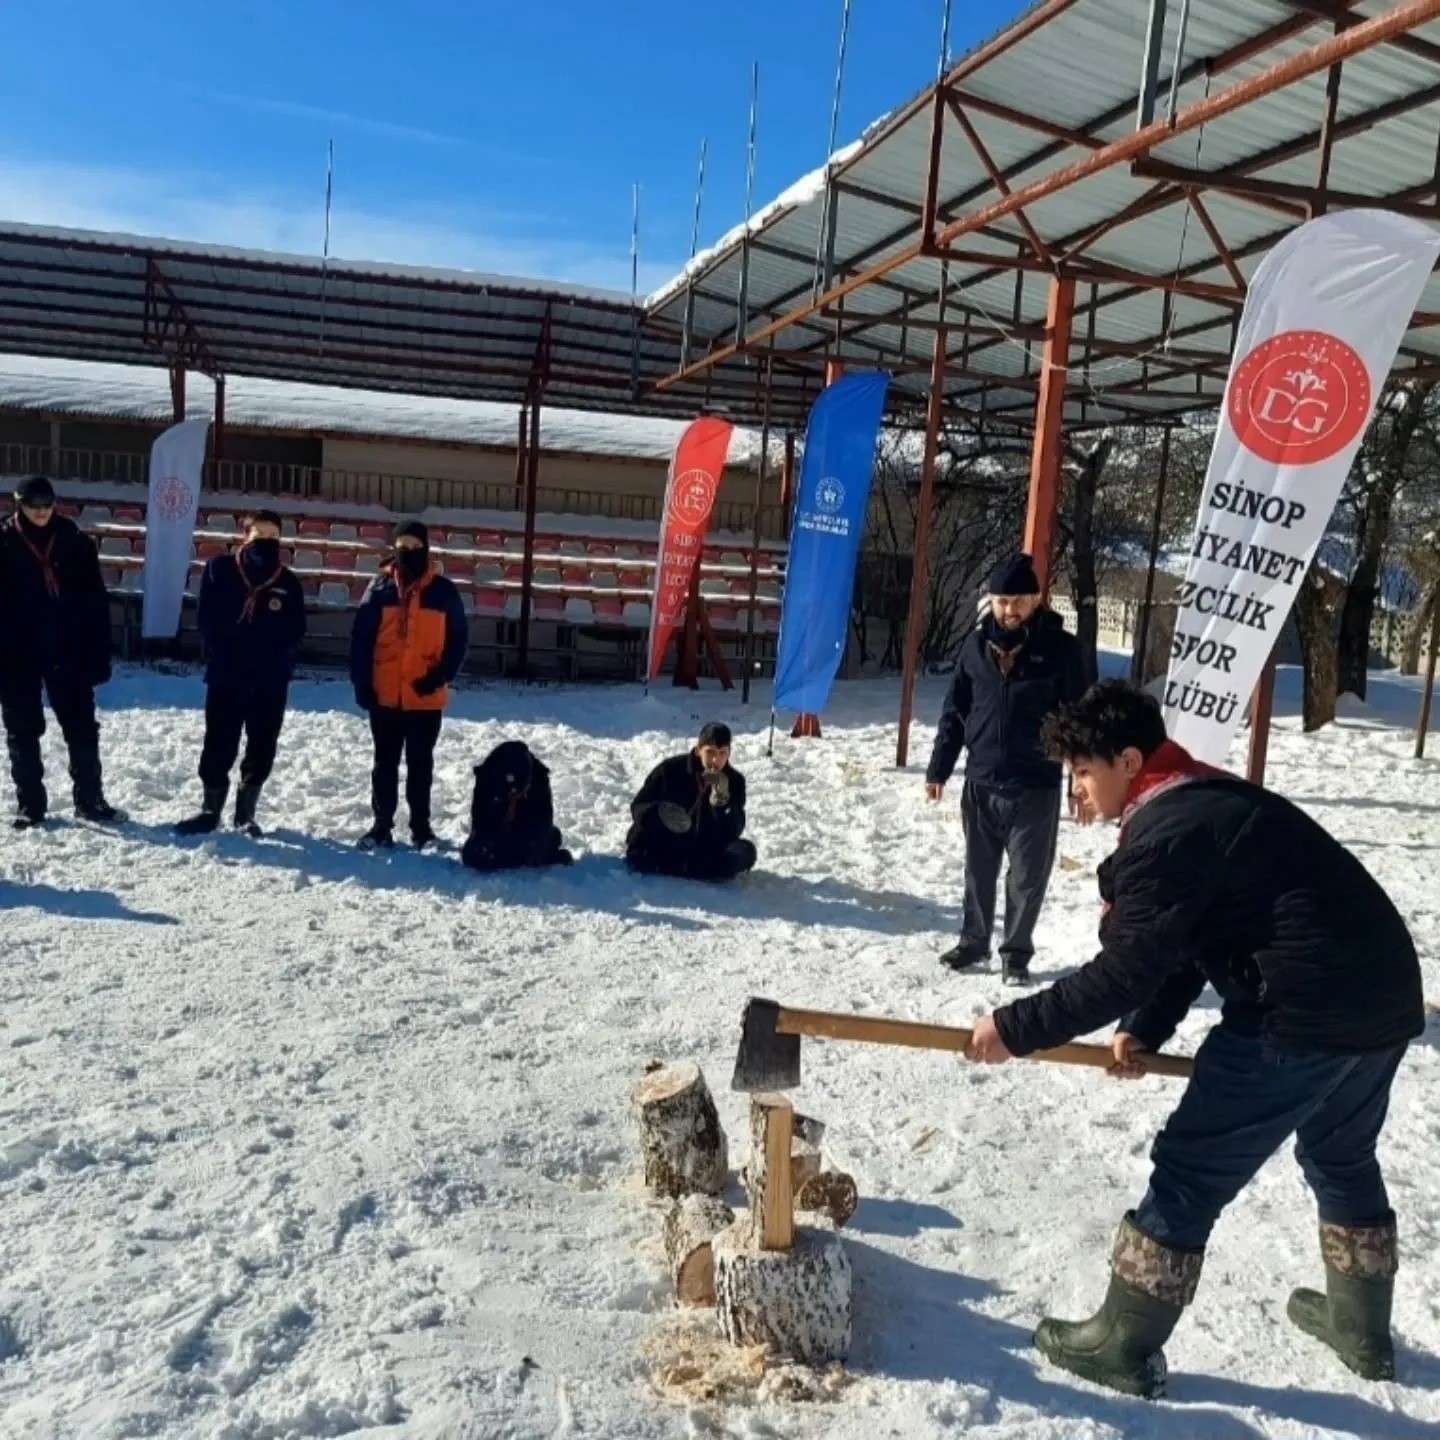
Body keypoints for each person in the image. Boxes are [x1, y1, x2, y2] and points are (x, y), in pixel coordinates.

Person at [963, 680, 1423, 1398]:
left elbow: (1124, 971)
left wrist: (1014, 1028)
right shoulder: (1199, 800)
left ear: (1128, 761)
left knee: (1189, 1168)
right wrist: (1144, 1028)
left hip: (1299, 1015)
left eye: (1082, 772)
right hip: (1383, 999)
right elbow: (1186, 942)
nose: (1073, 791)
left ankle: (1123, 1345)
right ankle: (1361, 1330)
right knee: (1340, 1152)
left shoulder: (1169, 833)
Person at [925, 552, 1085, 984]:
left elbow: (1080, 719)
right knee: (978, 871)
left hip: (1036, 784)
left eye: (1018, 601)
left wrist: (1081, 780)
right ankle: (973, 943)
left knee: (1027, 878)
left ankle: (1015, 954)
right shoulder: (975, 647)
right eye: (1001, 601)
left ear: (1036, 599)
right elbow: (955, 711)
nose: (1009, 610)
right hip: (981, 779)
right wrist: (939, 769)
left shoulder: (1063, 650)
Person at [0, 476, 122, 827]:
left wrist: (98, 654)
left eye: (47, 505)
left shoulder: (75, 541)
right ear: (19, 504)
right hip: (16, 651)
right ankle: (30, 806)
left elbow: (95, 601)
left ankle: (90, 800)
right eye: (33, 505)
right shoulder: (3, 541)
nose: (41, 512)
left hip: (67, 647)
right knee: (22, 730)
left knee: (82, 727)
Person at [175, 510, 305, 837]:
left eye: (273, 536)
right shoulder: (219, 569)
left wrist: (267, 651)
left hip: (270, 679)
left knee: (262, 743)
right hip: (227, 673)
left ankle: (245, 814)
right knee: (219, 741)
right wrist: (234, 647)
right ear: (244, 536)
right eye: (259, 535)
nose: (266, 542)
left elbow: (295, 629)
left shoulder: (288, 582)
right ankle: (210, 809)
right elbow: (207, 619)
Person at [349, 520, 467, 851]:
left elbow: (458, 639)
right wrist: (362, 683)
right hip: (384, 694)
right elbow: (361, 640)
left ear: (426, 549)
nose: (408, 551)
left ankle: (421, 829)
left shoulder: (444, 591)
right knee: (384, 764)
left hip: (424, 695)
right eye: (402, 545)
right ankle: (381, 826)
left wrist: (441, 675)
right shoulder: (379, 588)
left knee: (420, 765)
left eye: (415, 546)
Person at [626, 721, 756, 880]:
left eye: (722, 753)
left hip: (702, 850)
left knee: (745, 851)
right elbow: (638, 806)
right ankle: (697, 870)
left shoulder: (734, 781)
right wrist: (659, 812)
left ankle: (688, 868)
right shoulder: (670, 770)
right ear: (698, 750)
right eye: (710, 752)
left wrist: (721, 803)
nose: (716, 760)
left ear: (729, 753)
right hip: (667, 843)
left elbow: (732, 831)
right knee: (642, 844)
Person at [460, 739, 573, 872]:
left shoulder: (539, 778)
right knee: (475, 853)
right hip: (496, 831)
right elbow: (480, 820)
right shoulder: (488, 776)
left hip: (525, 832)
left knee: (540, 847)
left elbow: (543, 821)